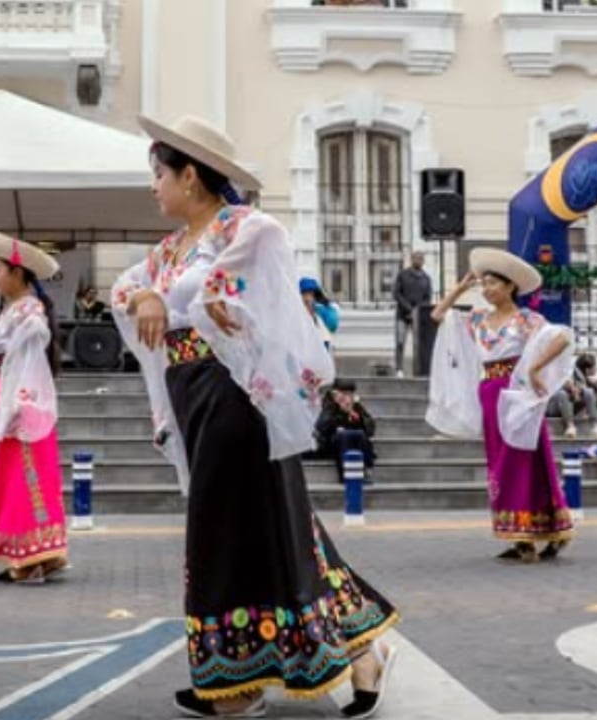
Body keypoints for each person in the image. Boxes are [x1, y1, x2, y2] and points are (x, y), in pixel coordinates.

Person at [109, 114, 399, 717]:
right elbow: (125, 290)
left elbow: (222, 287)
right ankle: (359, 648)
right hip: (191, 389)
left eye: (159, 175)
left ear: (190, 176)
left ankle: (236, 680)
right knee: (278, 523)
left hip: (236, 390)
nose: (153, 188)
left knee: (226, 525)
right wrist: (143, 293)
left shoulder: (251, 228)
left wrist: (163, 295)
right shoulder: (164, 250)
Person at [427, 247, 576, 563]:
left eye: (493, 283)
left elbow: (562, 339)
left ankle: (545, 531)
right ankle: (517, 532)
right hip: (490, 392)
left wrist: (535, 368)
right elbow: (438, 316)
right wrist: (460, 287)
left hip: (518, 393)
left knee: (530, 459)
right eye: (485, 284)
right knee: (500, 462)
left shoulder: (526, 319)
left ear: (510, 287)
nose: (487, 289)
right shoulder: (478, 319)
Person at [0, 230, 68, 584]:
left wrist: (19, 400)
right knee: (15, 477)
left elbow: (31, 357)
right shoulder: (16, 309)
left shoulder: (29, 310)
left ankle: (31, 559)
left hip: (22, 399)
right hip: (9, 394)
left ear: (17, 272)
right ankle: (33, 555)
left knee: (26, 477)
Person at [315, 379, 378, 483]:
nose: (348, 397)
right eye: (344, 394)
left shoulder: (356, 406)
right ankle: (346, 474)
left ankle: (363, 471)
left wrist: (354, 415)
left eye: (350, 394)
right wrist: (338, 411)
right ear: (336, 394)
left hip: (356, 442)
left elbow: (370, 428)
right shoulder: (330, 406)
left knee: (358, 434)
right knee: (344, 435)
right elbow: (322, 427)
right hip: (334, 444)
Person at [547, 353, 597, 440]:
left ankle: (595, 426)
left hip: (570, 405)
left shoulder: (585, 379)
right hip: (553, 406)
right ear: (587, 369)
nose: (596, 368)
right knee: (562, 393)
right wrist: (567, 387)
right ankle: (570, 426)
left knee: (588, 391)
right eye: (595, 366)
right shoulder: (552, 371)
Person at [393, 251, 432, 378]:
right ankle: (399, 369)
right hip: (402, 315)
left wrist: (418, 311)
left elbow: (428, 298)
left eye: (421, 259)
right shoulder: (403, 275)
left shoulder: (426, 279)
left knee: (418, 345)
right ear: (411, 259)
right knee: (400, 341)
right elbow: (396, 294)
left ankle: (418, 369)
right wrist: (409, 309)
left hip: (419, 317)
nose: (419, 261)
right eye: (416, 258)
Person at [300, 276, 340, 351]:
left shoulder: (322, 309)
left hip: (319, 342)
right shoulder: (299, 308)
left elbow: (332, 326)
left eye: (309, 293)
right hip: (305, 343)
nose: (306, 296)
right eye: (304, 293)